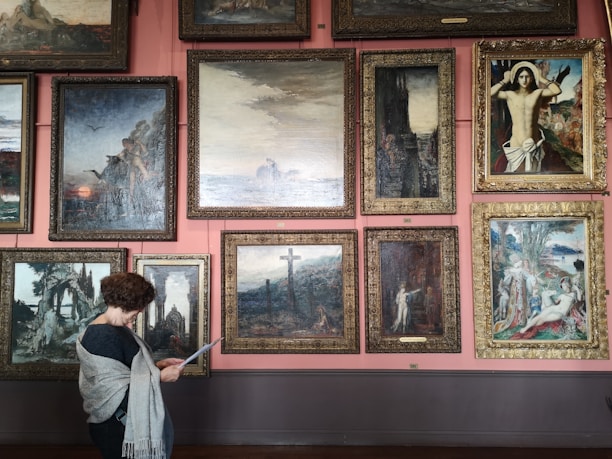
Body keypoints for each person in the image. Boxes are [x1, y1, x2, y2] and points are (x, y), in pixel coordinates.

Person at [76, 272, 184, 459]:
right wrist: (160, 377)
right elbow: (114, 390)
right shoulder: (101, 335)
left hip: (122, 423)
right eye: (140, 305)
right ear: (127, 302)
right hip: (116, 426)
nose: (140, 311)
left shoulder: (115, 329)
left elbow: (124, 370)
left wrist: (157, 365)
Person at [490, 61, 563, 173]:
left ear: (532, 78)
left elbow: (557, 90)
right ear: (517, 79)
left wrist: (541, 78)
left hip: (533, 141)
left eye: (527, 77)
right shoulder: (510, 95)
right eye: (521, 77)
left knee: (533, 175)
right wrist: (505, 80)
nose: (524, 80)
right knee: (516, 176)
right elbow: (490, 93)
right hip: (516, 142)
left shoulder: (537, 93)